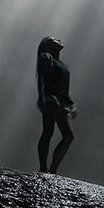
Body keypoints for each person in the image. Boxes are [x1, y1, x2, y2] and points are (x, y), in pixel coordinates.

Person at [36, 36, 77, 174]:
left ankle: (53, 169)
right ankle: (43, 167)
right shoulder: (45, 57)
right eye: (55, 40)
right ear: (48, 45)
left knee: (69, 136)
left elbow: (65, 86)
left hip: (64, 101)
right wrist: (41, 97)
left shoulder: (62, 64)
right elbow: (41, 78)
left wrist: (71, 102)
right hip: (52, 98)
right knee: (48, 132)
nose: (59, 40)